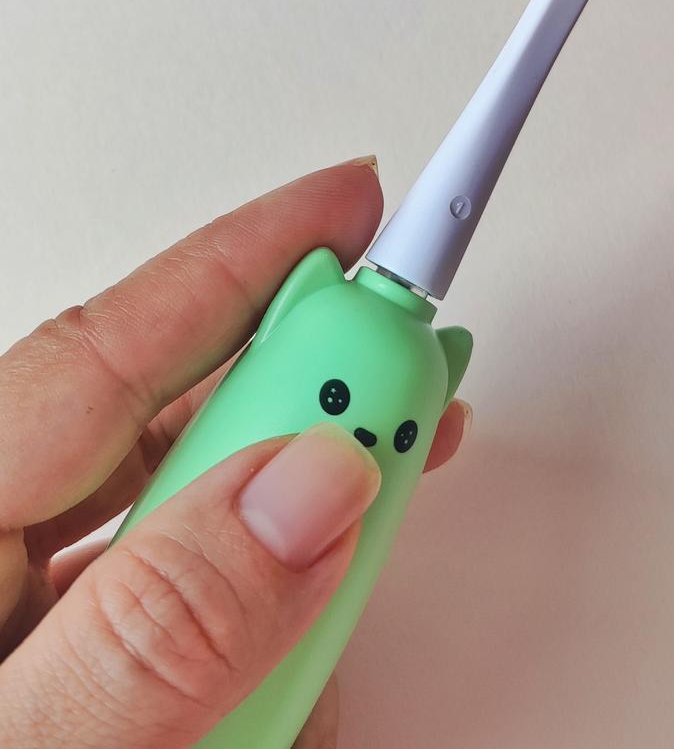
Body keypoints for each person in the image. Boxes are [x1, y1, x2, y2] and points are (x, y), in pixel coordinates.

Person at [0, 158, 471, 748]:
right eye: (334, 399)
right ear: (290, 306)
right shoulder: (356, 328)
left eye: (406, 439)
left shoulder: (396, 350)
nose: (367, 447)